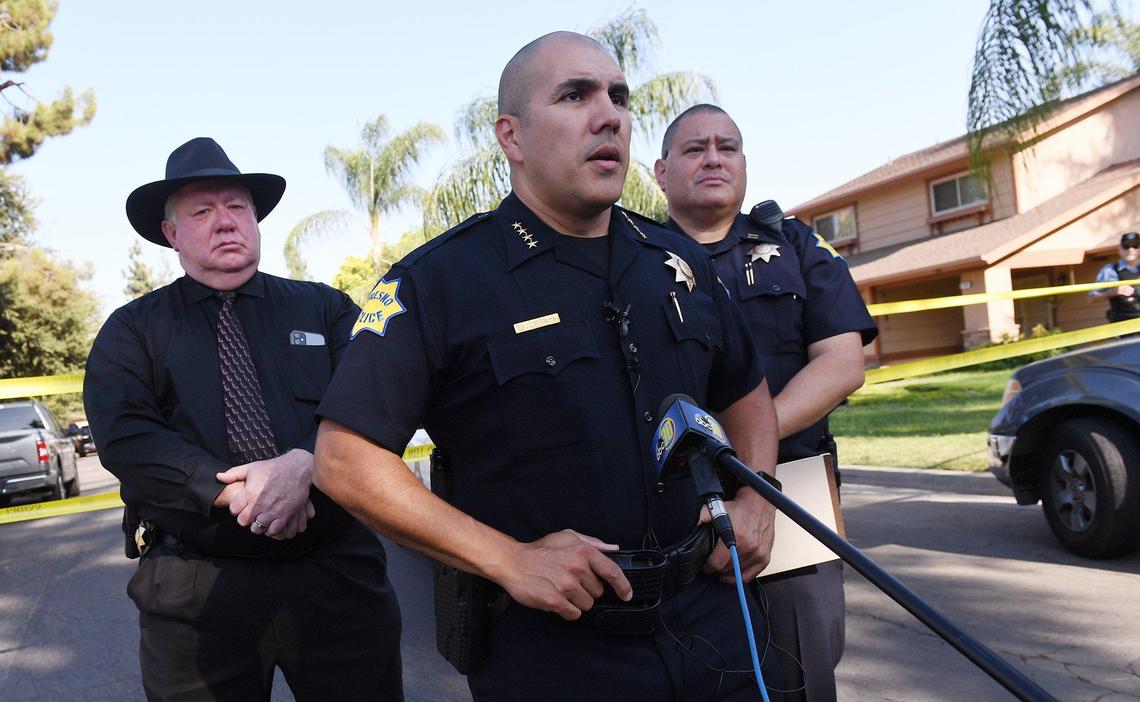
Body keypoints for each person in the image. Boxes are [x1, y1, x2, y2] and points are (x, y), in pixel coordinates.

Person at [313, 32, 783, 701]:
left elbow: (746, 389)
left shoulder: (676, 261)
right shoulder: (440, 281)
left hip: (715, 624)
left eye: (618, 96)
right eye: (575, 96)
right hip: (556, 652)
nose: (609, 115)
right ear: (512, 136)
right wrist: (507, 559)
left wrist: (757, 496)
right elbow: (343, 459)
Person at [84, 138, 403, 701]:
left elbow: (378, 398)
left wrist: (304, 464)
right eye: (202, 212)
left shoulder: (326, 309)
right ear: (171, 234)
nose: (225, 222)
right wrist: (239, 493)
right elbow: (126, 437)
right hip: (196, 589)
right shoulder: (132, 330)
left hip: (337, 577)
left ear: (255, 220)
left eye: (237, 207)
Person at [655, 104, 878, 702]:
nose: (713, 158)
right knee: (682, 667)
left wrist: (746, 443)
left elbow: (843, 363)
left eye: (727, 147)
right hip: (674, 494)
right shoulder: (634, 257)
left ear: (745, 162)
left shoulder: (795, 244)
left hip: (794, 486)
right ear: (661, 172)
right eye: (695, 148)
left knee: (804, 666)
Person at [1090, 231, 1140, 323]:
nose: (1131, 249)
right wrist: (1113, 292)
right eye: (1126, 246)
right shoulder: (1109, 270)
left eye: (1135, 246)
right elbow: (1092, 298)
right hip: (1122, 324)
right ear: (1120, 249)